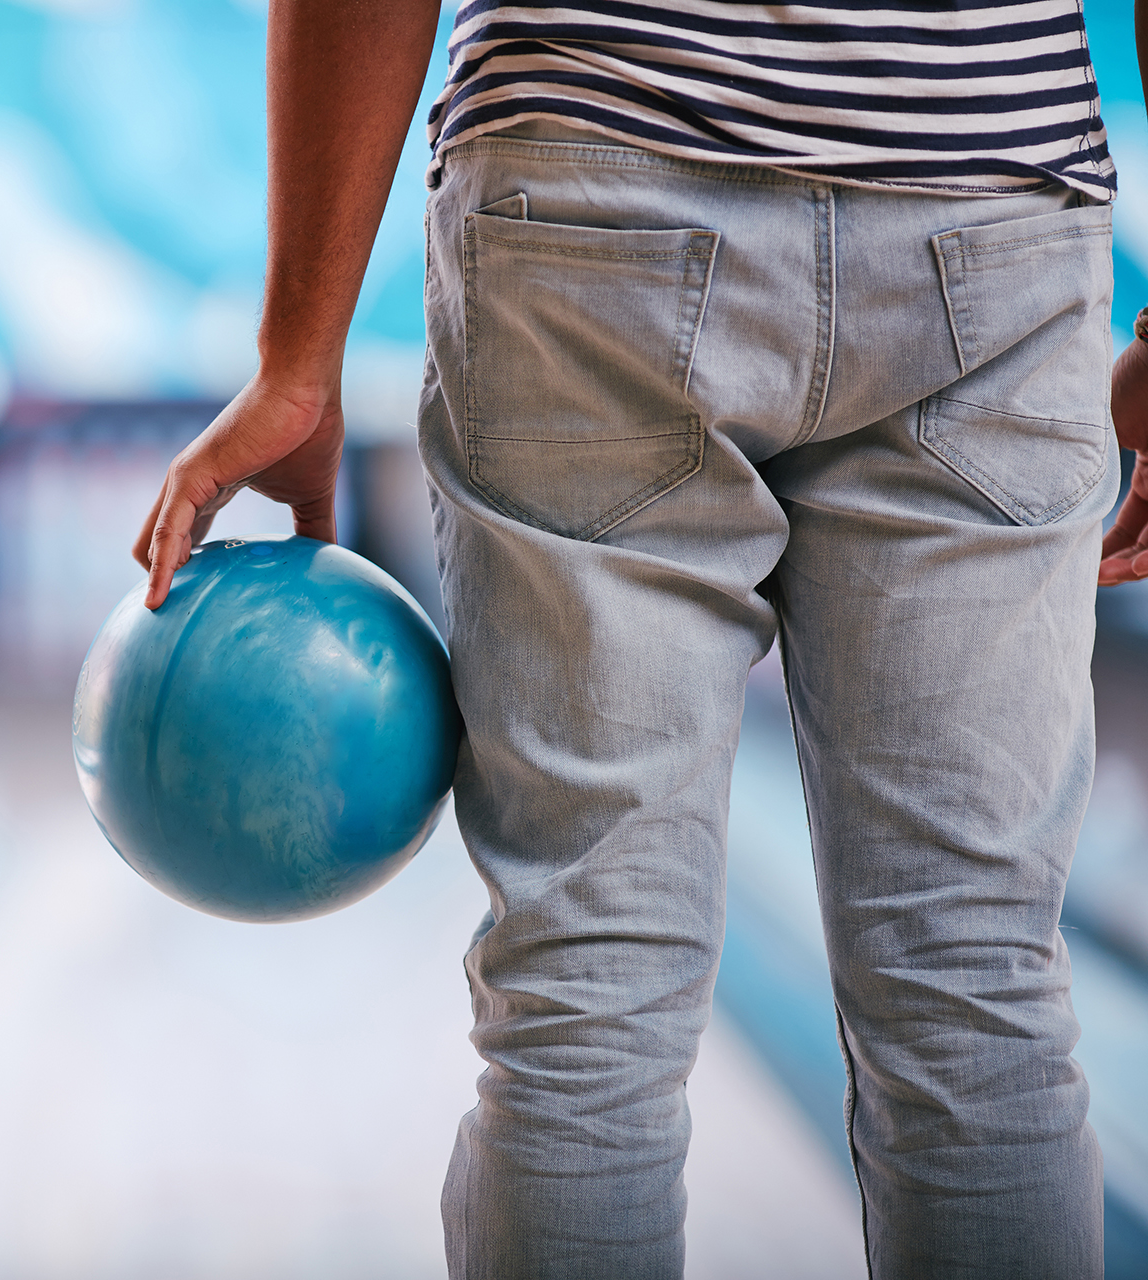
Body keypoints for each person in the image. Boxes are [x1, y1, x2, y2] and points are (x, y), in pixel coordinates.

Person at [134, 1, 1148, 1275]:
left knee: (586, 1002)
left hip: (591, 196)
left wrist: (297, 355)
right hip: (987, 203)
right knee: (975, 988)